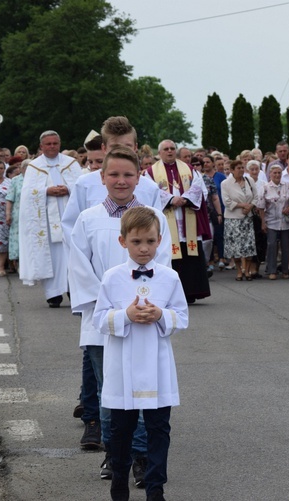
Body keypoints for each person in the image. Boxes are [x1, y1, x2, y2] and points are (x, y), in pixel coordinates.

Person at [70, 147, 171, 489]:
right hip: (105, 322)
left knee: (144, 391)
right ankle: (116, 455)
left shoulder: (153, 217)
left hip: (146, 320)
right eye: (113, 174)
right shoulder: (88, 219)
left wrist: (146, 308)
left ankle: (141, 456)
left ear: (139, 177)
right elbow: (80, 269)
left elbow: (163, 269)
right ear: (102, 178)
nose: (121, 180)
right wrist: (115, 309)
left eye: (128, 175)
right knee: (110, 391)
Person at [93, 206, 187, 501]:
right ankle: (119, 484)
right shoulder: (112, 277)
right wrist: (126, 315)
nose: (144, 248)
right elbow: (99, 319)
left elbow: (181, 317)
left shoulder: (170, 277)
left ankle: (155, 488)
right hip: (123, 366)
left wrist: (160, 314)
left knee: (159, 428)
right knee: (121, 431)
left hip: (157, 366)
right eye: (136, 242)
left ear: (159, 240)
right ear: (123, 242)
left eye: (149, 241)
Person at [19, 131, 82, 307]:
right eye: (48, 144)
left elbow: (81, 186)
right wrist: (46, 191)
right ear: (41, 146)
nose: (52, 146)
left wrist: (68, 189)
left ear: (60, 144)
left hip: (70, 219)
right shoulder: (34, 167)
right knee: (52, 257)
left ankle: (73, 290)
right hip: (46, 222)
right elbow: (27, 194)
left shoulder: (71, 164)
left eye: (55, 143)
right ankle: (53, 294)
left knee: (72, 255)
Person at [143, 139, 210, 303]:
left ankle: (191, 292)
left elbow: (199, 188)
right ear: (159, 153)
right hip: (167, 217)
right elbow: (149, 191)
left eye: (172, 148)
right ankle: (169, 295)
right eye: (166, 149)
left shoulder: (189, 169)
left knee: (190, 255)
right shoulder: (151, 172)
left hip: (188, 218)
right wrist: (172, 199)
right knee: (170, 254)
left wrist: (185, 199)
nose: (170, 151)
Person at [221, 160, 257, 281]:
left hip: (247, 218)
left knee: (248, 246)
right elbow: (227, 201)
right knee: (235, 247)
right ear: (232, 170)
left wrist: (250, 206)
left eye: (242, 167)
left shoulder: (249, 180)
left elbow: (256, 197)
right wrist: (243, 205)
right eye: (238, 168)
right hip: (233, 219)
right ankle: (238, 270)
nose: (241, 170)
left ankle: (247, 270)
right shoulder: (226, 183)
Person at [258, 164, 289, 280]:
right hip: (272, 221)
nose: (277, 175)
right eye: (275, 173)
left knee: (285, 246)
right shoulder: (265, 187)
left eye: (279, 173)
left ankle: (284, 270)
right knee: (272, 245)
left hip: (285, 221)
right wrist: (263, 222)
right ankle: (272, 270)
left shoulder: (287, 185)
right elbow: (261, 207)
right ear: (270, 174)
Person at [5, 160, 27, 276]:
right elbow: (9, 198)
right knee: (17, 240)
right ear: (21, 169)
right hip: (18, 214)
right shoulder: (15, 180)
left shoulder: (37, 180)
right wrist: (8, 214)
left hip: (32, 215)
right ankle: (17, 264)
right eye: (26, 168)